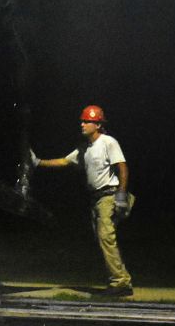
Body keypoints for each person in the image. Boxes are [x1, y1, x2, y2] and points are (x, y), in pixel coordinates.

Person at [30, 105, 136, 296]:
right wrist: (38, 162)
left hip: (108, 196)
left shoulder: (108, 142)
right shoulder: (84, 148)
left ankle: (120, 282)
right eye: (83, 120)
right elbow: (64, 161)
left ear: (97, 124)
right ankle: (122, 280)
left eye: (86, 121)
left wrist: (121, 194)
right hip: (96, 199)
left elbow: (122, 167)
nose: (82, 124)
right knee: (104, 239)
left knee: (106, 237)